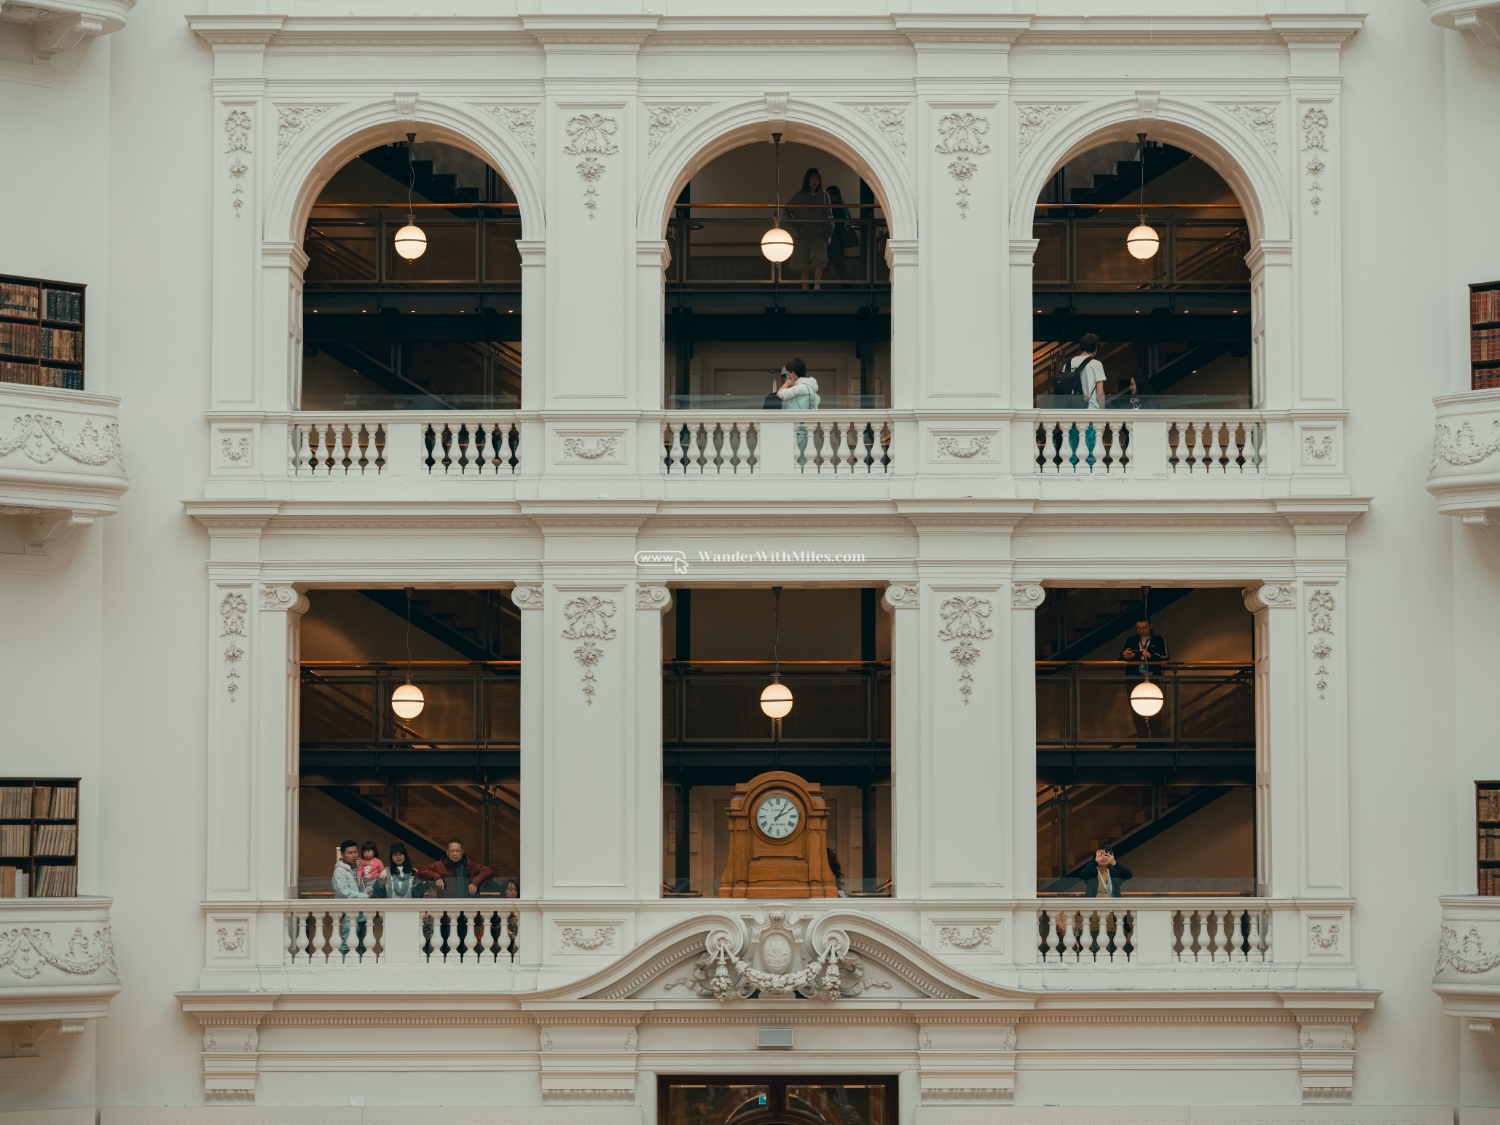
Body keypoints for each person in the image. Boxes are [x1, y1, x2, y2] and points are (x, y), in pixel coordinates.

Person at [787, 168, 832, 289]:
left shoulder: (824, 196)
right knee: (803, 264)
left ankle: (817, 287)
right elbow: (785, 211)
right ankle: (805, 289)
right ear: (807, 180)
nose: (814, 181)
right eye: (812, 178)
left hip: (819, 233)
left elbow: (829, 216)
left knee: (819, 261)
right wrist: (797, 225)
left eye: (817, 178)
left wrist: (828, 233)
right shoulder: (799, 196)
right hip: (803, 235)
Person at [416, 838, 495, 898]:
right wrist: (437, 877)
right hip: (447, 906)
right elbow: (421, 870)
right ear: (447, 852)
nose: (455, 853)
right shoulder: (439, 865)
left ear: (462, 852)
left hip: (468, 905)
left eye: (458, 851)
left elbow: (489, 871)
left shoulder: (471, 865)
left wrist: (476, 881)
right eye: (452, 851)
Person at [825, 185, 856, 281]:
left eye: (831, 195)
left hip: (836, 239)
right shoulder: (841, 205)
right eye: (827, 195)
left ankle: (811, 285)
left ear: (837, 195)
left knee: (836, 264)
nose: (829, 198)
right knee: (834, 263)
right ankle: (848, 288)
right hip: (836, 239)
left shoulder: (837, 206)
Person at [1069, 333, 1107, 409]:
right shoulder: (1096, 364)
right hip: (1090, 409)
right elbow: (1100, 393)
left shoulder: (1068, 363)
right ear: (1095, 348)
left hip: (1072, 410)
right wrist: (1102, 411)